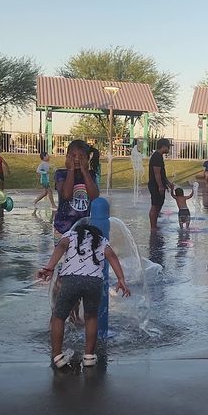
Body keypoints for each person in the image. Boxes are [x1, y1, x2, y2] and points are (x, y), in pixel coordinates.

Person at [38, 224, 130, 369]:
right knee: (91, 317)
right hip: (94, 281)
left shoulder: (69, 235)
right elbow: (111, 256)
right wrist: (121, 279)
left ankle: (57, 355)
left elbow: (61, 247)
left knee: (59, 316)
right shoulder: (101, 240)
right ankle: (89, 356)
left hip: (71, 279)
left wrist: (49, 267)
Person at [53, 140, 100, 235]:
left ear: (88, 158)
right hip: (62, 228)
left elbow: (94, 197)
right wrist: (70, 170)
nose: (77, 159)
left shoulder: (90, 175)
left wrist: (85, 172)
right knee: (63, 250)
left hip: (83, 229)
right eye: (73, 156)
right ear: (67, 157)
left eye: (82, 156)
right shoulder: (61, 174)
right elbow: (66, 196)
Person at [148, 138, 174, 230]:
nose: (169, 149)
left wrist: (168, 183)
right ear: (163, 147)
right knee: (155, 206)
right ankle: (153, 227)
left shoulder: (159, 156)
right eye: (168, 147)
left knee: (158, 205)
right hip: (155, 185)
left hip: (158, 185)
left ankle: (155, 225)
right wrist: (160, 186)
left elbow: (162, 174)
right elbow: (157, 173)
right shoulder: (156, 157)